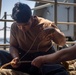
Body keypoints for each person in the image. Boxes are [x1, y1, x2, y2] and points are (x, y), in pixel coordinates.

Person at [0, 2, 69, 75]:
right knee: (1, 54)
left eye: (26, 25)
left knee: (58, 71)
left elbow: (62, 43)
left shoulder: (46, 25)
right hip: (24, 58)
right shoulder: (14, 26)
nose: (22, 28)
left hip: (44, 58)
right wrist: (16, 58)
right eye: (19, 25)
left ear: (32, 17)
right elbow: (13, 46)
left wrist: (54, 31)